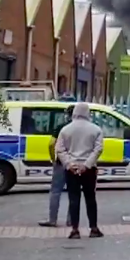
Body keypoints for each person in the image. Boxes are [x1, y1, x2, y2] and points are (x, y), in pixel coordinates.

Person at [54, 102, 104, 239]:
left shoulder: (65, 130)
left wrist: (69, 164)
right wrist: (86, 165)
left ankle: (75, 230)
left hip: (71, 170)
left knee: (73, 199)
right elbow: (98, 149)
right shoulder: (96, 130)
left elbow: (59, 149)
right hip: (89, 170)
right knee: (90, 198)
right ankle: (93, 228)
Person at [38, 114, 70, 228]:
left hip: (61, 163)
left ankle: (52, 219)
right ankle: (71, 220)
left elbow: (51, 143)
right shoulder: (82, 128)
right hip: (76, 163)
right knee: (73, 192)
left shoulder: (61, 127)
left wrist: (53, 158)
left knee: (56, 191)